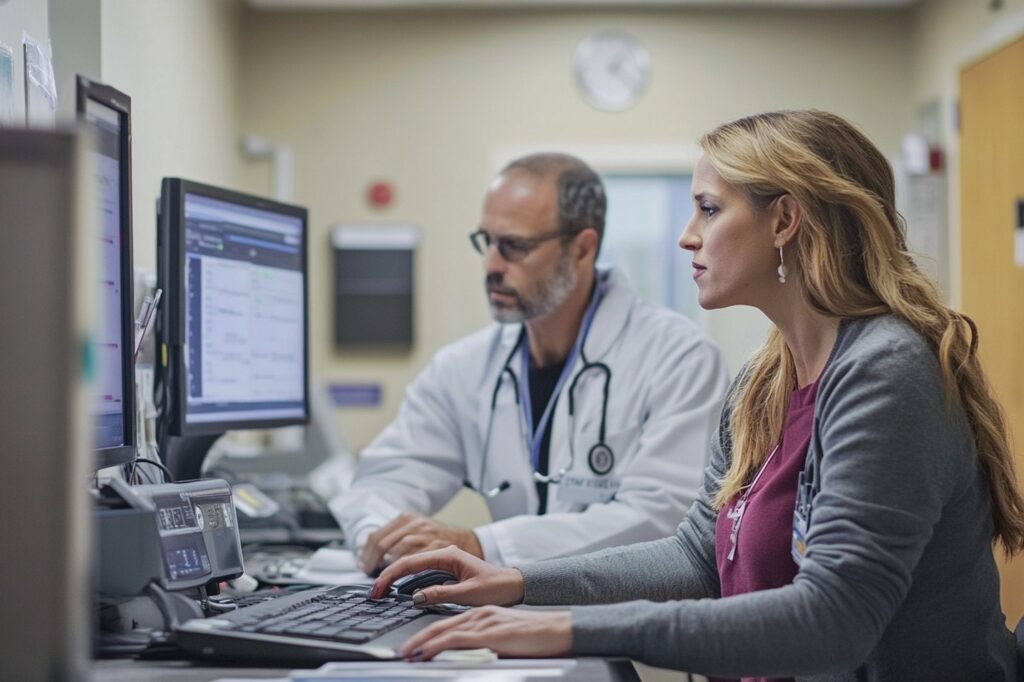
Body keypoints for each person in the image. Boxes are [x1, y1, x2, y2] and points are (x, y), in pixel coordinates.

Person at [371, 111, 1024, 680]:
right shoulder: (762, 382)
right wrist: (519, 584)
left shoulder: (884, 370)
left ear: (785, 220)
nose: (688, 235)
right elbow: (695, 557)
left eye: (709, 209)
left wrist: (567, 627)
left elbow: (835, 619)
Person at [331, 152, 729, 575]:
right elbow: (382, 479)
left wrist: (481, 544)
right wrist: (382, 538)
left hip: (620, 622)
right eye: (486, 241)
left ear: (582, 248)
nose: (491, 266)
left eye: (514, 247)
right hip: (499, 617)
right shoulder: (463, 369)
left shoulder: (680, 359)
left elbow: (662, 522)